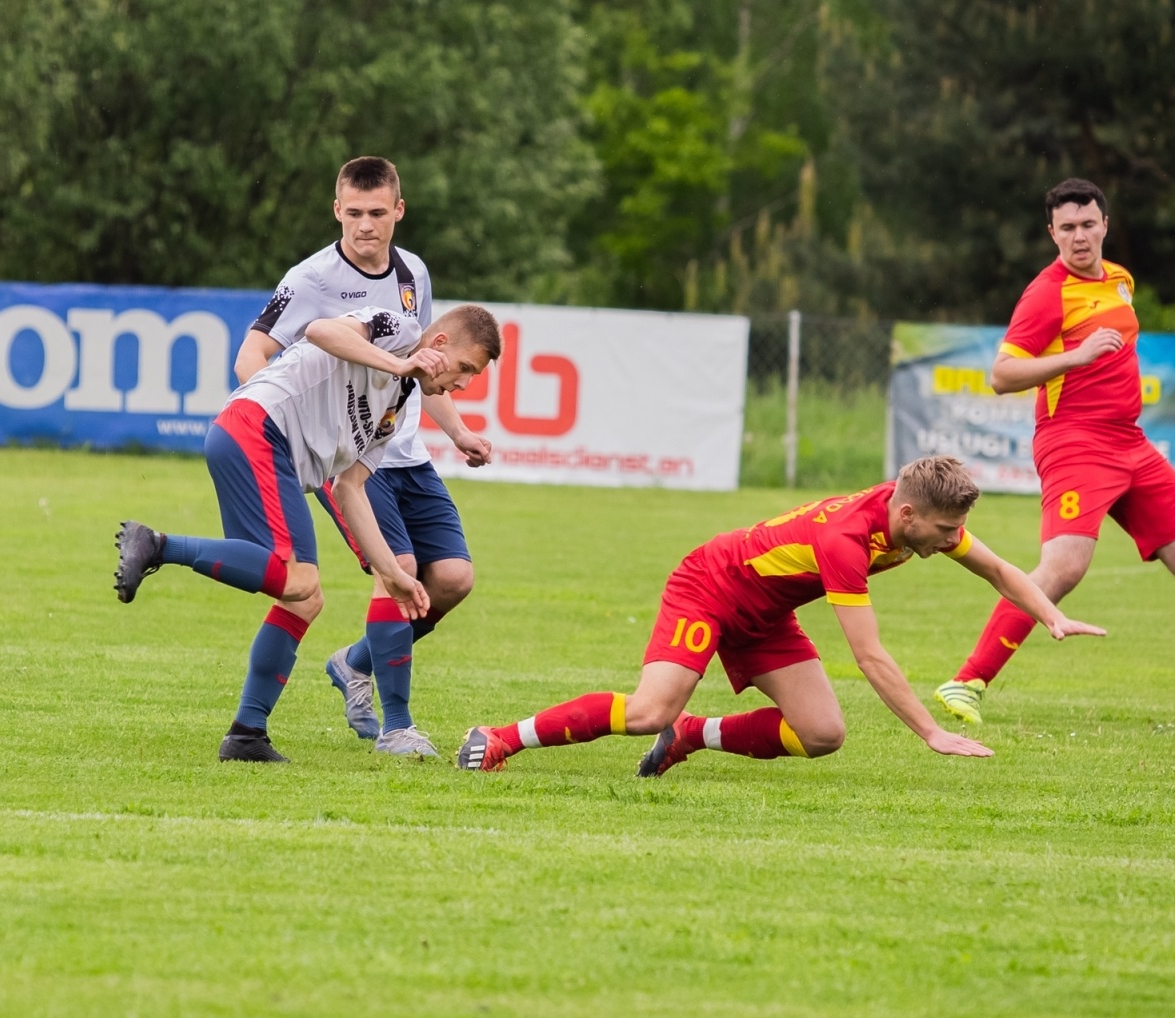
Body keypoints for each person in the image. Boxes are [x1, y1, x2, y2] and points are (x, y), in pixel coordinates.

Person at [456, 456, 1105, 775]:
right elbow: (870, 656)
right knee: (650, 708)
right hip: (710, 586)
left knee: (822, 733)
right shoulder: (847, 540)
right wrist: (931, 732)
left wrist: (1049, 613)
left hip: (766, 612)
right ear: (907, 516)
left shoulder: (917, 520)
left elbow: (996, 568)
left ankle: (692, 737)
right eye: (943, 530)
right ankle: (500, 739)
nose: (950, 540)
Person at [932, 179, 1175, 729]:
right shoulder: (1047, 293)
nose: (1079, 236)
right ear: (1052, 233)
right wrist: (1076, 357)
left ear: (1105, 225)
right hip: (1073, 442)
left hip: (1129, 442)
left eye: (1088, 224)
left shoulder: (1120, 280)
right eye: (1067, 228)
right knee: (1064, 566)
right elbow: (1001, 375)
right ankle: (967, 680)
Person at [115, 303, 502, 763]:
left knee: (303, 596)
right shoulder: (399, 329)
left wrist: (391, 573)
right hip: (258, 430)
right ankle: (158, 544)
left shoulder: (394, 410)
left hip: (263, 447)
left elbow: (349, 490)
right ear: (438, 345)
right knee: (297, 578)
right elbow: (319, 330)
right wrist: (400, 361)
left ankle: (246, 735)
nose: (462, 384)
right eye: (464, 369)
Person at [234, 155, 492, 756]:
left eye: (377, 213)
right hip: (344, 459)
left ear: (398, 211)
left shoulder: (414, 274)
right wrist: (274, 430)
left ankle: (355, 664)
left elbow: (423, 365)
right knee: (394, 568)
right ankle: (399, 728)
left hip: (403, 453)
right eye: (353, 213)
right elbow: (252, 355)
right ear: (336, 211)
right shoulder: (309, 279)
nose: (365, 226)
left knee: (453, 579)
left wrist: (456, 432)